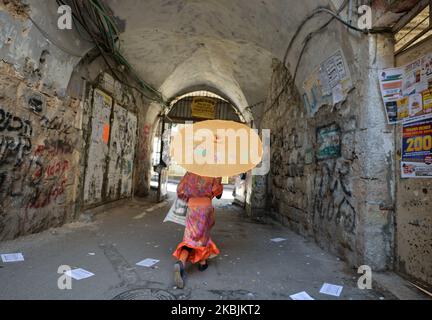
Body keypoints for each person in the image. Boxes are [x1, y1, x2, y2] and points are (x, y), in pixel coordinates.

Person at [172, 172, 223, 289]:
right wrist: (218, 181)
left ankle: (198, 263)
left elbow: (180, 190)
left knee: (191, 237)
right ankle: (185, 262)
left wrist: (189, 198)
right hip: (205, 207)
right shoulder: (212, 172)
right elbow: (218, 192)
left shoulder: (190, 172)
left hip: (192, 207)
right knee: (201, 237)